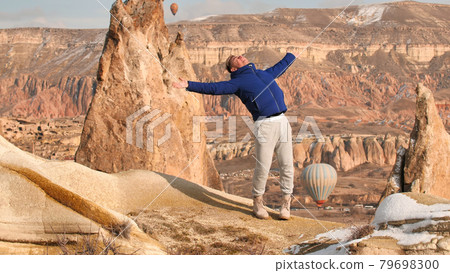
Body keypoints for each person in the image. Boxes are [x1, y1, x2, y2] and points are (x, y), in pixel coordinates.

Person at [173, 52, 298, 220]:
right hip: (265, 125)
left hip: (283, 121)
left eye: (240, 55)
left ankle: (285, 203)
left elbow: (280, 67)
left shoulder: (263, 73)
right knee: (263, 167)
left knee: (287, 165)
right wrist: (188, 85)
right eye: (236, 58)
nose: (241, 56)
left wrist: (291, 55)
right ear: (233, 68)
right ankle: (258, 202)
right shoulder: (236, 82)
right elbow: (214, 88)